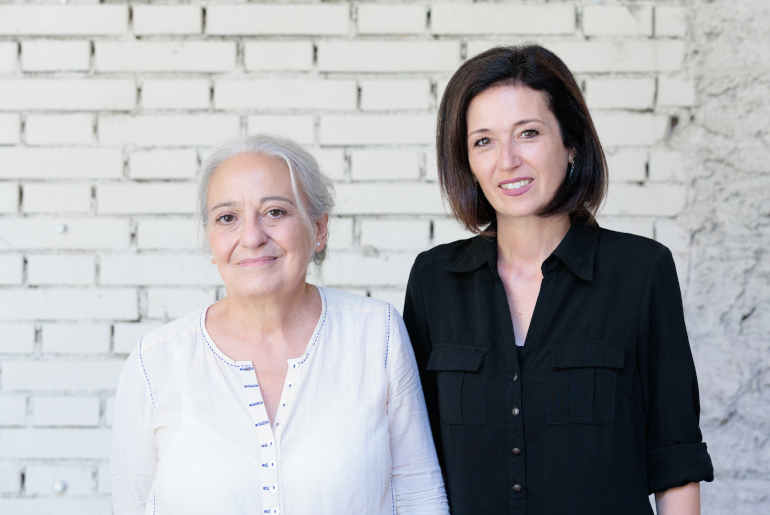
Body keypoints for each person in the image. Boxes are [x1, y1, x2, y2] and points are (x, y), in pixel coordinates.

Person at [403, 45, 714, 515]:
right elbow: (413, 466)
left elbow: (676, 465)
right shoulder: (434, 281)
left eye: (528, 133)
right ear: (465, 160)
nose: (507, 160)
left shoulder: (642, 272)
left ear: (571, 144)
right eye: (483, 141)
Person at [111, 134, 448, 515]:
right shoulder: (155, 360)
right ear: (211, 239)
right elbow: (132, 505)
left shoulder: (376, 334)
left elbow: (420, 496)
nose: (252, 237)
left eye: (275, 212)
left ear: (319, 229)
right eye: (227, 218)